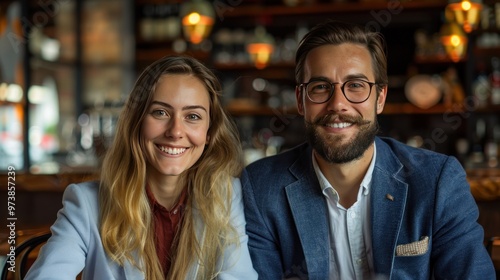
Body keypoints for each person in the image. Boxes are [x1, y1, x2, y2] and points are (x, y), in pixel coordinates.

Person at [241, 20, 495, 280]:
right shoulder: (262, 187)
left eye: (356, 86)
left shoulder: (437, 181)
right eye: (320, 87)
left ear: (380, 98)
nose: (338, 104)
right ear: (300, 101)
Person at [25, 55, 258, 279]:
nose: (175, 131)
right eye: (160, 112)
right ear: (136, 122)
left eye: (193, 116)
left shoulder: (226, 196)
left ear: (209, 133)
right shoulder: (87, 204)